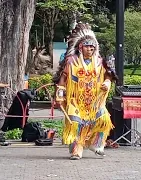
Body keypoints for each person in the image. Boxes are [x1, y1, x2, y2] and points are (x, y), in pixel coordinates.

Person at [53, 23, 117, 160]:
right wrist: (60, 95)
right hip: (76, 100)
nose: (90, 49)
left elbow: (108, 75)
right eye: (88, 46)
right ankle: (77, 149)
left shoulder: (100, 61)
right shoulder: (71, 61)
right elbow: (62, 78)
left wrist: (106, 82)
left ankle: (96, 144)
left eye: (93, 47)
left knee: (103, 120)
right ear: (80, 47)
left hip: (94, 101)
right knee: (75, 123)